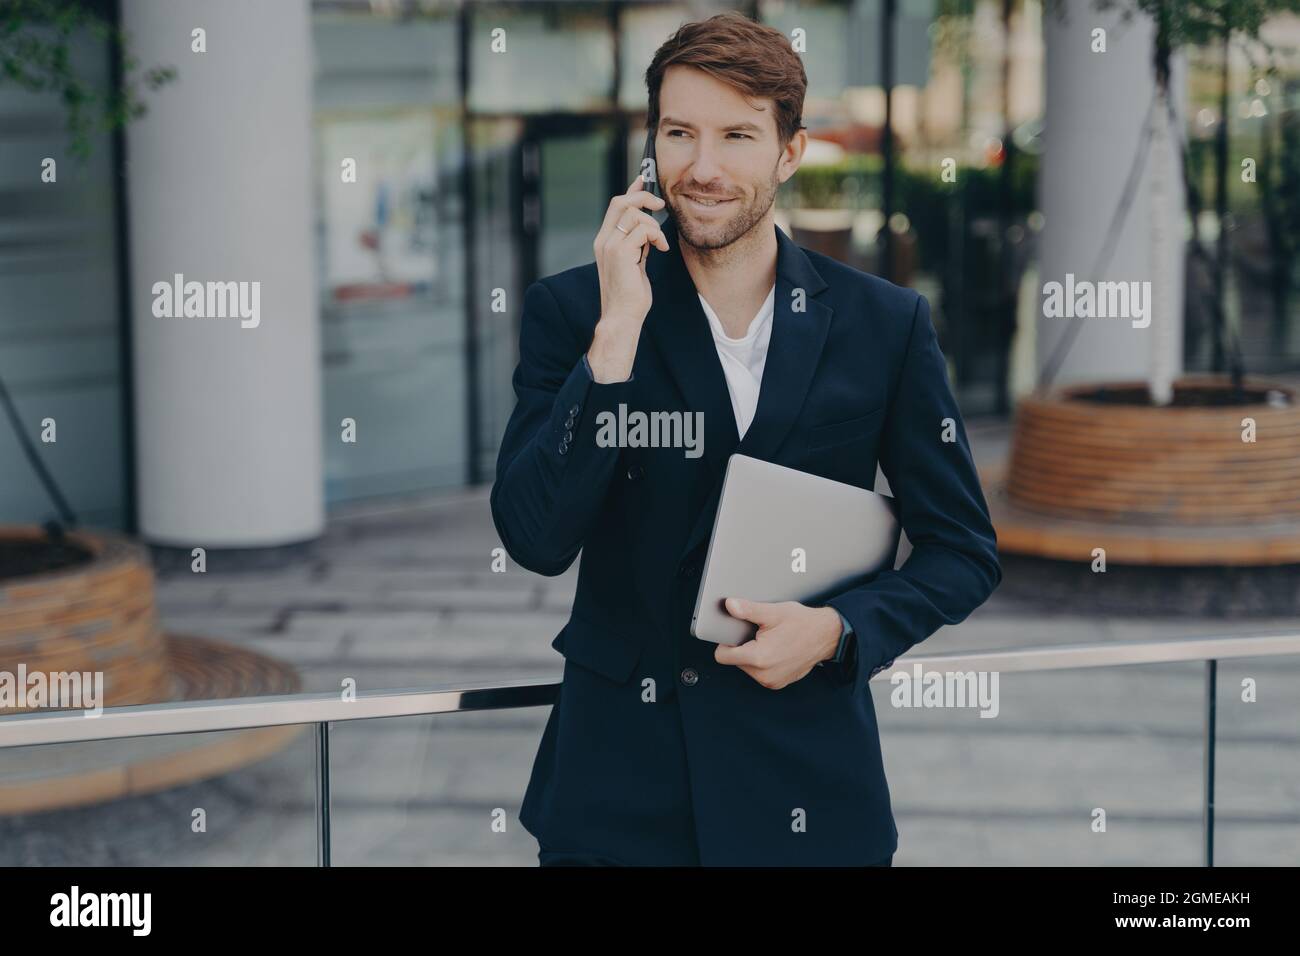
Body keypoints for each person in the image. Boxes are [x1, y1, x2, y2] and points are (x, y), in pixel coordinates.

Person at [490, 11, 1001, 867]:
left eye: (737, 135)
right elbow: (536, 539)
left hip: (805, 786)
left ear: (790, 152)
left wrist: (839, 631)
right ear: (651, 145)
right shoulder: (576, 311)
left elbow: (964, 550)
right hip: (618, 797)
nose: (704, 167)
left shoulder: (885, 324)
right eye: (679, 132)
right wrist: (613, 344)